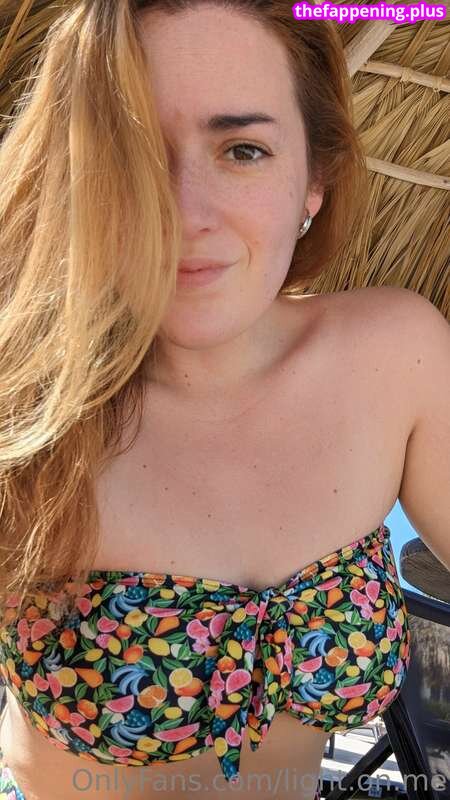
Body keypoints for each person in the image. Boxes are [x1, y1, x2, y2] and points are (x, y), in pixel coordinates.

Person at [0, 1, 449, 799]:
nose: (184, 213)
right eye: (130, 150)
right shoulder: (23, 404)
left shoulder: (396, 358)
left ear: (314, 179)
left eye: (242, 150)